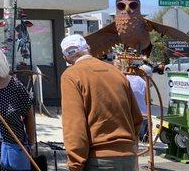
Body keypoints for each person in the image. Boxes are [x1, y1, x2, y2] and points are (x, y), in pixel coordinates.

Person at [60, 35, 143, 171]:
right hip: (128, 157)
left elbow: (74, 125)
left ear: (66, 58)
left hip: (99, 160)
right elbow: (136, 118)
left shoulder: (71, 75)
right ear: (88, 48)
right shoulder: (116, 72)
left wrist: (75, 164)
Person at [114, 59, 148, 141]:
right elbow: (147, 100)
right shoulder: (142, 81)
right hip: (142, 116)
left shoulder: (122, 79)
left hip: (128, 118)